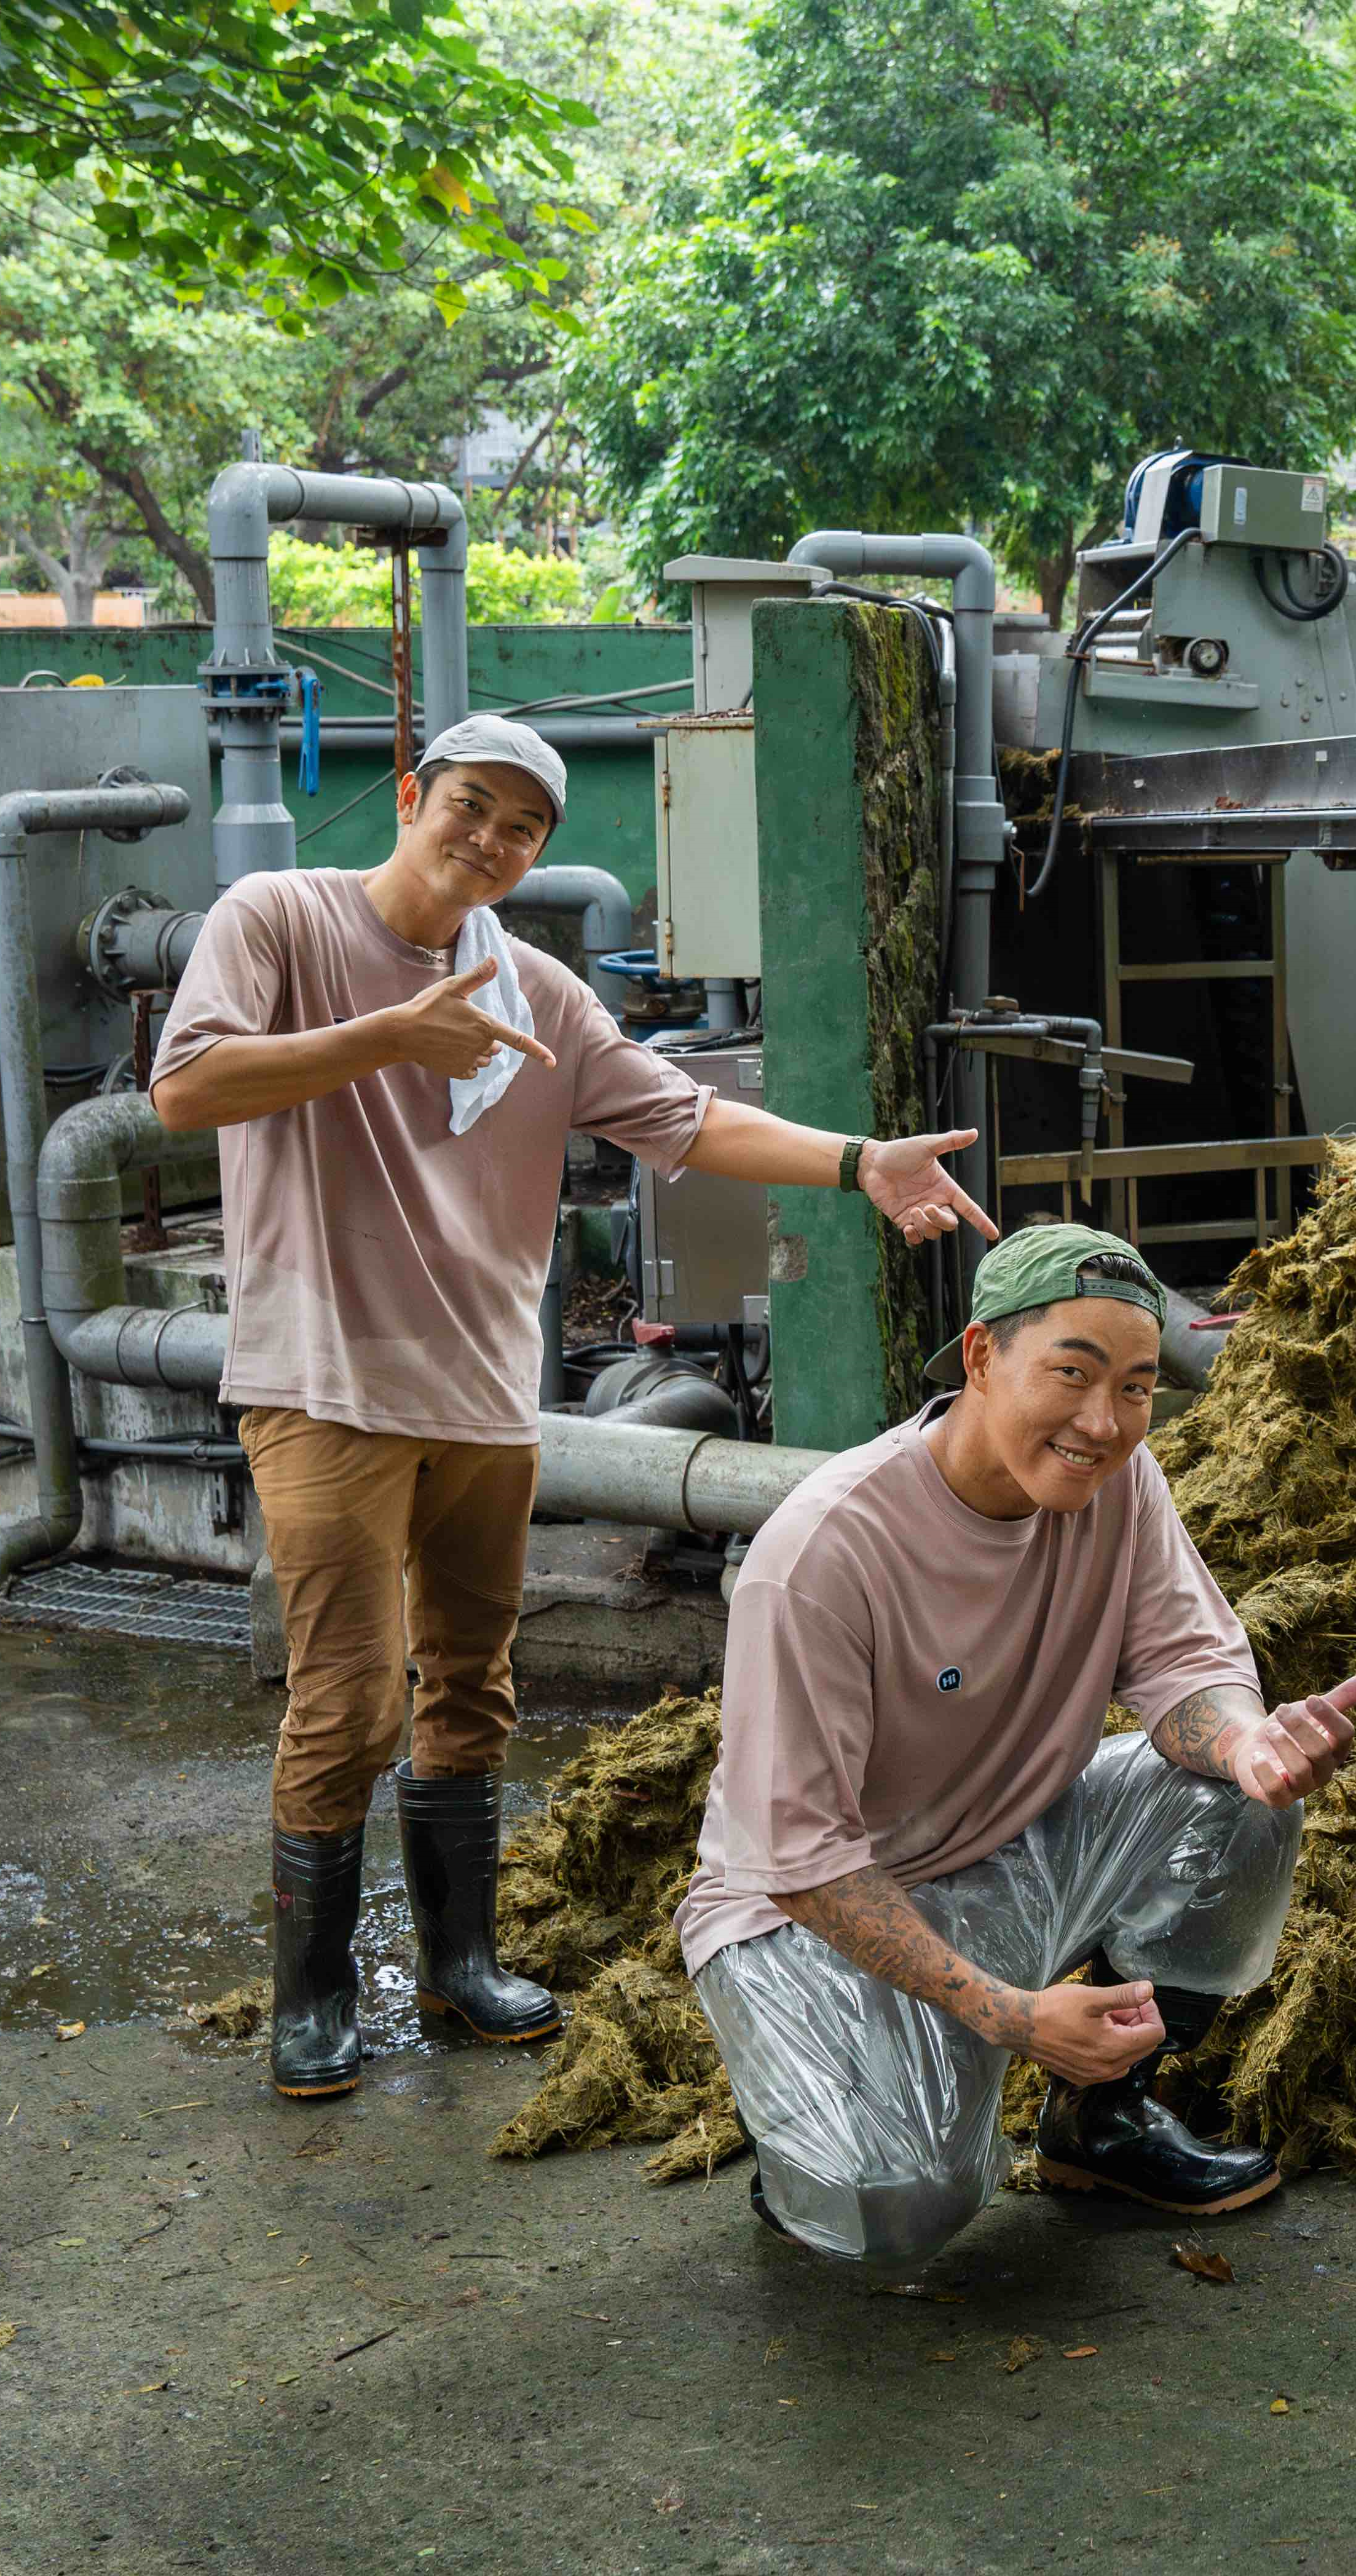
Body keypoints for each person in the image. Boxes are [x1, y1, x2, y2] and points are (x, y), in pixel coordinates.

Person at [151, 711, 1001, 2103]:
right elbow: (186, 1086)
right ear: (414, 795)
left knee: (475, 1688)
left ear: (542, 848)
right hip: (321, 1381)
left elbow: (680, 1118)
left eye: (523, 827)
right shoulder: (279, 918)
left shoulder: (537, 989)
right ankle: (312, 1997)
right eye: (468, 808)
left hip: (484, 1391)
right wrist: (387, 1034)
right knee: (352, 1700)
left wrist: (857, 1161)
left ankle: (459, 1965)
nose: (488, 840)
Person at [683, 1224, 1356, 2270]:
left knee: (1240, 1798)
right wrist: (1010, 2015)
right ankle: (814, 2123)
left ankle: (1103, 2120)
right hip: (809, 1913)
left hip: (1008, 1843)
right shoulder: (827, 1550)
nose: (1103, 1423)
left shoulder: (1120, 1482)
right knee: (898, 2208)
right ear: (978, 1357)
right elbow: (804, 1861)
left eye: (1139, 1387)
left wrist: (1247, 1746)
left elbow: (1185, 1662)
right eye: (1071, 1373)